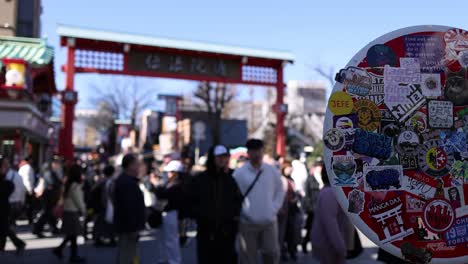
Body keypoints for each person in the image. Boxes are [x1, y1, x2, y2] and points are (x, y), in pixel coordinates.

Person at [187, 145, 243, 264]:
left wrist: (233, 219)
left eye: (225, 157)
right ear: (213, 158)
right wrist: (201, 216)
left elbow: (237, 202)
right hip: (206, 232)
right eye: (219, 157)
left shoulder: (230, 180)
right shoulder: (200, 180)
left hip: (227, 232)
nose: (222, 160)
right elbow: (191, 201)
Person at [233, 139, 285, 264]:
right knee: (247, 258)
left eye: (259, 151)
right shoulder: (239, 174)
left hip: (269, 222)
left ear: (262, 152)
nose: (256, 154)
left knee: (272, 254)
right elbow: (233, 197)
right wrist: (243, 213)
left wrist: (273, 209)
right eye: (253, 151)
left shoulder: (272, 171)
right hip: (247, 223)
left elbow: (280, 191)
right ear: (248, 153)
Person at [311, 165, 349, 264]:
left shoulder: (329, 191)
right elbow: (330, 223)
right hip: (329, 246)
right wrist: (340, 247)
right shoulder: (330, 192)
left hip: (328, 245)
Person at [150, 160, 185, 264]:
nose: (168, 174)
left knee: (171, 239)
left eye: (170, 172)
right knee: (162, 239)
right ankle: (164, 259)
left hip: (171, 213)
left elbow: (162, 194)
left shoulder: (178, 185)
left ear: (176, 173)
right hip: (165, 213)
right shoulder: (170, 183)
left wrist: (155, 183)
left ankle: (174, 261)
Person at [113, 154, 146, 264]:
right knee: (127, 256)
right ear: (130, 166)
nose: (139, 167)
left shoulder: (126, 181)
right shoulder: (127, 183)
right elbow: (128, 207)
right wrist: (133, 228)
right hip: (128, 228)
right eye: (137, 164)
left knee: (127, 255)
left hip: (127, 227)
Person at [52, 164, 86, 263]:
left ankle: (62, 250)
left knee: (71, 235)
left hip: (67, 211)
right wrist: (83, 210)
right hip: (72, 212)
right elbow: (78, 200)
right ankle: (72, 255)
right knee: (73, 235)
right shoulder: (75, 186)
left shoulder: (67, 184)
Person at [0, 157, 26, 255]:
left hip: (7, 205)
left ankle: (17, 244)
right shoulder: (11, 176)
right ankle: (16, 244)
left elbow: (15, 189)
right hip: (10, 204)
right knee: (4, 227)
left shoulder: (10, 177)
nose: (5, 166)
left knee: (4, 227)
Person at [34, 159, 62, 237]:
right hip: (49, 196)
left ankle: (54, 228)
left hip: (50, 196)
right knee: (47, 213)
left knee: (49, 213)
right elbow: (53, 184)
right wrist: (60, 183)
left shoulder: (49, 173)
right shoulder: (49, 173)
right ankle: (37, 229)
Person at [91, 164, 116, 247]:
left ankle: (100, 238)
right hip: (106, 205)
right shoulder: (109, 181)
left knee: (101, 222)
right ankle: (109, 238)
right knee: (107, 222)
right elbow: (111, 194)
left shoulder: (101, 180)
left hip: (102, 205)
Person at [300, 162, 321, 253]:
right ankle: (305, 243)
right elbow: (307, 195)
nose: (320, 169)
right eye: (319, 167)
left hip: (321, 208)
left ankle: (316, 246)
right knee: (310, 228)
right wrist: (308, 208)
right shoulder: (310, 179)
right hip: (312, 209)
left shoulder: (322, 179)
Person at [18, 156, 36, 224]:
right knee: (29, 206)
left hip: (22, 188)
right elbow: (27, 180)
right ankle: (29, 219)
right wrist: (30, 189)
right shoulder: (28, 168)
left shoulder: (22, 167)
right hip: (27, 189)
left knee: (25, 204)